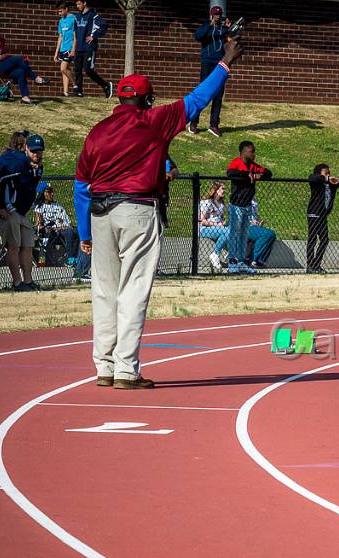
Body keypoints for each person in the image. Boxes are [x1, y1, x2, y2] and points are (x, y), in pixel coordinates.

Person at [73, 40, 243, 389]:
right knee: (133, 290)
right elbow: (198, 99)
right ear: (147, 99)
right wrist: (225, 62)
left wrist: (84, 233)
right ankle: (125, 370)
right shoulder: (154, 120)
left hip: (100, 212)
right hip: (137, 208)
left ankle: (104, 366)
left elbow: (80, 186)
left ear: (119, 99)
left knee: (104, 291)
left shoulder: (98, 131)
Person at [0, 132, 44, 291]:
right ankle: (17, 283)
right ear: (26, 149)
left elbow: (30, 186)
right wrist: (1, 206)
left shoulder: (36, 167)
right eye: (33, 150)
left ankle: (28, 281)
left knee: (28, 246)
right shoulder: (18, 163)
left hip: (22, 212)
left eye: (39, 151)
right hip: (9, 210)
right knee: (13, 247)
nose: (36, 153)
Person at [0, 24, 51, 105]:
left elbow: (4, 53)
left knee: (20, 72)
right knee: (18, 58)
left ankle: (25, 98)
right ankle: (36, 78)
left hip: (3, 65)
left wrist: (3, 56)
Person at [226, 140, 272, 274]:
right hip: (236, 205)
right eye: (252, 151)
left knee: (244, 235)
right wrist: (247, 175)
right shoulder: (236, 163)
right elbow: (230, 173)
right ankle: (232, 262)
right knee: (234, 234)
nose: (254, 154)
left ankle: (240, 262)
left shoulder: (253, 165)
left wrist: (259, 175)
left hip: (247, 205)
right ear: (243, 152)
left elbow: (268, 173)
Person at [189, 6, 230, 137]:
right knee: (203, 93)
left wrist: (229, 29)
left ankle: (213, 125)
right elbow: (198, 36)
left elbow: (232, 39)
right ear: (211, 15)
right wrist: (210, 25)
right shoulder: (206, 27)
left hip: (220, 63)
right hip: (207, 62)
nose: (218, 17)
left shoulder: (223, 29)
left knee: (218, 94)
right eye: (216, 15)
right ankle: (193, 123)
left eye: (219, 15)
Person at [307, 163, 339, 273]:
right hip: (314, 213)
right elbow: (312, 177)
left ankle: (316, 264)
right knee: (312, 238)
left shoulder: (331, 185)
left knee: (324, 239)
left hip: (323, 215)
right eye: (326, 173)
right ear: (320, 174)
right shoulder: (316, 182)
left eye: (329, 173)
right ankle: (309, 265)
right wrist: (326, 178)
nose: (329, 175)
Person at [71, 0, 112, 98]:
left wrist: (94, 36)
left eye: (79, 4)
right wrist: (73, 48)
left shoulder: (93, 16)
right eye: (76, 4)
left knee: (88, 70)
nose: (77, 6)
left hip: (89, 48)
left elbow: (104, 25)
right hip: (78, 48)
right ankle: (79, 92)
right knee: (77, 70)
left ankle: (105, 85)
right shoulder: (77, 17)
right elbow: (75, 34)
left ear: (84, 3)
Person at [35, 183, 81, 271]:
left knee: (78, 231)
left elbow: (66, 220)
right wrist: (53, 228)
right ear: (42, 193)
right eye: (49, 191)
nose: (52, 194)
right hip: (51, 233)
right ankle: (70, 259)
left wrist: (65, 226)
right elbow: (39, 225)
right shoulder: (39, 207)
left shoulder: (57, 205)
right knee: (69, 232)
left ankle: (76, 258)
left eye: (52, 191)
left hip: (64, 229)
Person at [198, 181, 229, 271]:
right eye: (222, 188)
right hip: (205, 229)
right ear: (215, 190)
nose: (224, 191)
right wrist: (217, 224)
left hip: (219, 228)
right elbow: (202, 221)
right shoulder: (207, 202)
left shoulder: (222, 204)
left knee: (229, 231)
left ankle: (230, 255)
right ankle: (215, 254)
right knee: (227, 231)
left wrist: (223, 223)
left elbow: (220, 218)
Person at [246, 198, 277, 269]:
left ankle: (258, 260)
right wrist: (250, 222)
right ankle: (253, 259)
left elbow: (254, 216)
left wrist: (258, 222)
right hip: (244, 227)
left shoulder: (254, 200)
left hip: (253, 227)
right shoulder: (239, 198)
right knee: (267, 234)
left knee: (271, 234)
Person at [54, 2, 77, 96]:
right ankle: (66, 92)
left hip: (69, 47)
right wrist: (56, 52)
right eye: (58, 12)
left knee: (63, 68)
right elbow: (60, 37)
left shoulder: (74, 19)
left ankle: (76, 85)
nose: (59, 13)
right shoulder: (61, 21)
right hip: (63, 48)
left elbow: (76, 36)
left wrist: (73, 49)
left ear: (66, 9)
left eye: (60, 11)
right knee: (65, 70)